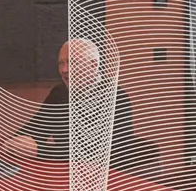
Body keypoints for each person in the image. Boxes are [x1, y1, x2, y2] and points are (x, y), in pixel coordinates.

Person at [10, 38, 153, 171]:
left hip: (107, 183)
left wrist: (39, 151)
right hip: (66, 175)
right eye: (61, 63)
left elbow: (93, 153)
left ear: (93, 65)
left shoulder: (116, 97)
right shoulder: (59, 93)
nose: (64, 70)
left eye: (72, 62)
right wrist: (17, 143)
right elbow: (33, 131)